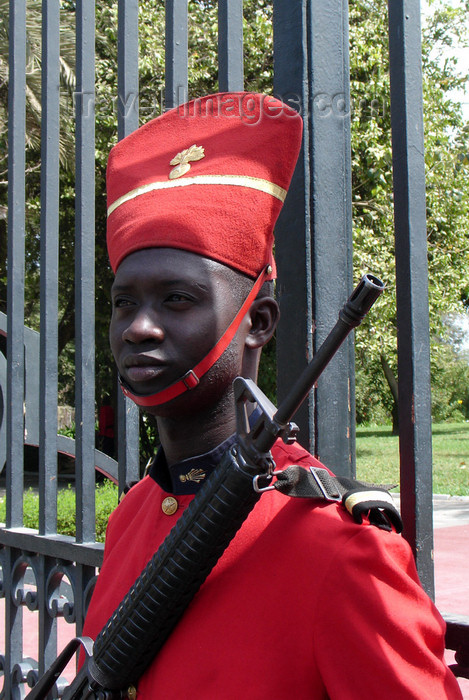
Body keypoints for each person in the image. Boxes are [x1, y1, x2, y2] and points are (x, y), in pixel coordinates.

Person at [82, 92, 462, 698]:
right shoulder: (133, 516)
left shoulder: (340, 547)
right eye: (125, 302)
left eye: (177, 299)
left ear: (257, 321)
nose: (139, 327)